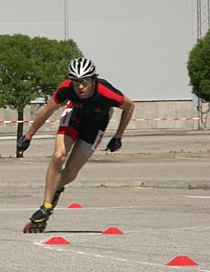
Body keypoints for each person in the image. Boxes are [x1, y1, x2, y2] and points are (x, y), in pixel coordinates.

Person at [18, 57, 135, 233]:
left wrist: (118, 136)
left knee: (70, 173)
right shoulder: (66, 88)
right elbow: (46, 111)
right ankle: (46, 206)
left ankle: (56, 190)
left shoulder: (106, 92)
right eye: (76, 82)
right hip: (75, 116)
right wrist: (28, 136)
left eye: (85, 81)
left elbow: (130, 106)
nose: (80, 87)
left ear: (93, 79)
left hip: (95, 126)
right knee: (58, 156)